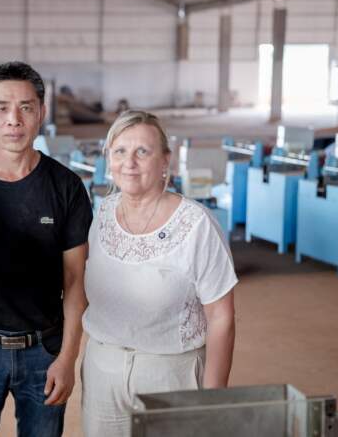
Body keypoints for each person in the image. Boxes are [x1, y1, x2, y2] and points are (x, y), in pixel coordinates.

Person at [0, 62, 93, 437]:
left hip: (44, 349)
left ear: (41, 113)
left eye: (26, 107)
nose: (14, 119)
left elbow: (76, 281)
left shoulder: (66, 187)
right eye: (2, 108)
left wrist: (67, 357)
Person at [81, 110, 237, 437]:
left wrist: (213, 399)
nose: (129, 162)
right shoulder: (103, 212)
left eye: (143, 151)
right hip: (102, 370)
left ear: (165, 160)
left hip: (170, 375)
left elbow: (221, 317)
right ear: (109, 158)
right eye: (120, 151)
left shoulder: (196, 224)